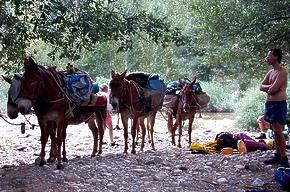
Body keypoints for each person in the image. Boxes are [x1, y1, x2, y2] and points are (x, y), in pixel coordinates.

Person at [260, 48, 289, 167]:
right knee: (273, 129)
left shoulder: (282, 72)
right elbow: (261, 86)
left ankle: (284, 158)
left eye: (269, 55)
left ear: (276, 57)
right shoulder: (271, 72)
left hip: (279, 104)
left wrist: (270, 88)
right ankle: (277, 155)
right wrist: (270, 88)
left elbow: (274, 89)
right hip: (270, 104)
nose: (267, 58)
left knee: (278, 130)